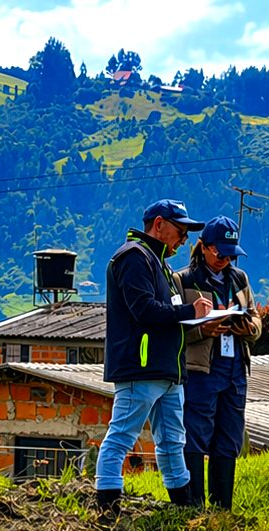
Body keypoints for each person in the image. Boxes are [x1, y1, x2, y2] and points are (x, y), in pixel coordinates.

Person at [93, 199, 214, 509]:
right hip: (141, 368)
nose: (185, 239)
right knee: (121, 436)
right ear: (159, 224)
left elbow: (164, 312)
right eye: (181, 230)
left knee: (174, 442)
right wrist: (191, 311)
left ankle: (183, 510)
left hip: (167, 370)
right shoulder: (133, 258)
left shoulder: (158, 262)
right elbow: (143, 310)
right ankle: (106, 510)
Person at [178, 216, 261, 510]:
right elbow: (173, 329)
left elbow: (255, 316)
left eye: (230, 255)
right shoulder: (183, 280)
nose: (225, 259)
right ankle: (194, 505)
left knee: (229, 436)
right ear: (205, 247)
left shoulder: (239, 278)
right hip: (202, 370)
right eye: (220, 253)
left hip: (236, 367)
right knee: (196, 435)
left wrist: (247, 328)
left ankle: (223, 507)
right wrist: (204, 330)